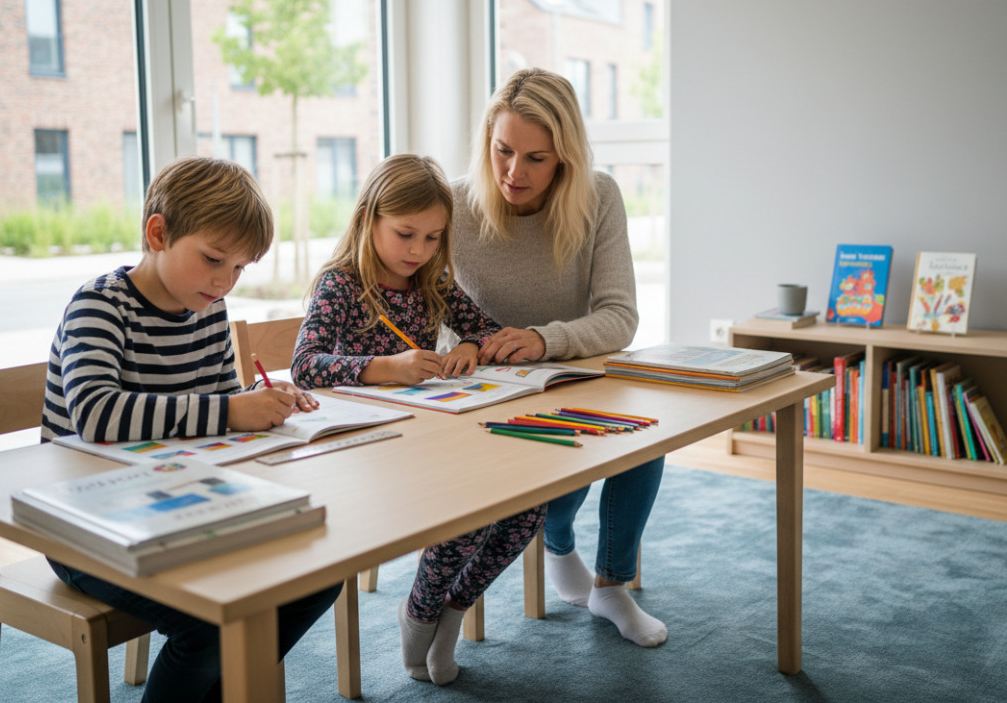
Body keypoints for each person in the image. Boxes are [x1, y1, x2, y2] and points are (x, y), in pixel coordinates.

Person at [40, 156, 342, 703]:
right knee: (208, 622)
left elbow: (218, 406)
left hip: (178, 505)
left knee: (319, 575)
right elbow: (97, 415)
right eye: (213, 259)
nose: (225, 282)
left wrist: (258, 403)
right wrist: (230, 411)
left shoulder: (207, 311)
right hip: (85, 525)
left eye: (240, 269)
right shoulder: (99, 306)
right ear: (158, 233)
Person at [291, 153, 545, 685]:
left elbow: (487, 329)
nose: (418, 250)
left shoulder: (433, 281)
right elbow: (305, 366)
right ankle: (420, 612)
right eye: (406, 234)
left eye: (433, 238)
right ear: (368, 218)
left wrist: (473, 346)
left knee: (528, 506)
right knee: (469, 511)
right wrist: (384, 368)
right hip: (367, 450)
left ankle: (451, 611)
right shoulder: (340, 284)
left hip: (433, 434)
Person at [451, 67, 667, 648]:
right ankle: (559, 539)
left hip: (572, 375)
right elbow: (417, 308)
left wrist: (545, 340)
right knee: (559, 450)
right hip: (486, 393)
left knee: (643, 436)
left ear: (565, 157)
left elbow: (620, 316)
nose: (514, 173)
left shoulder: (598, 197)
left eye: (536, 158)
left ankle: (611, 585)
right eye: (502, 151)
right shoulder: (452, 205)